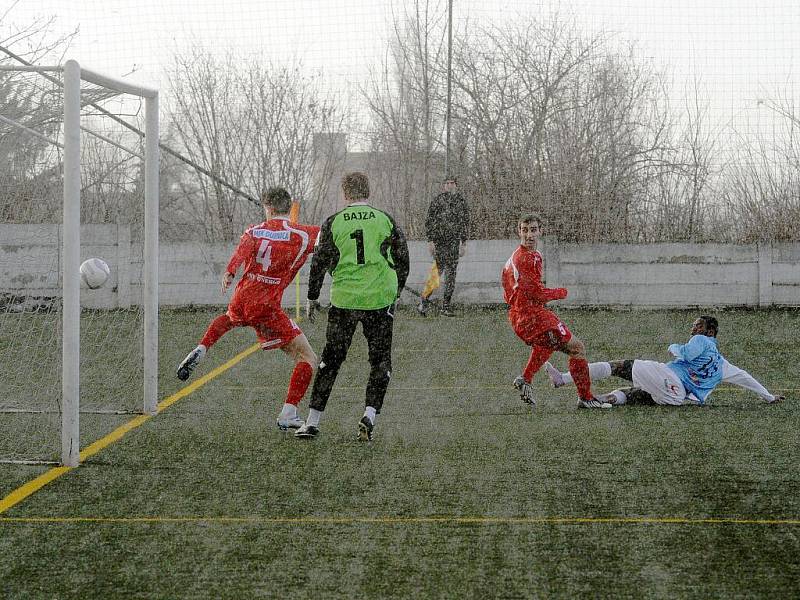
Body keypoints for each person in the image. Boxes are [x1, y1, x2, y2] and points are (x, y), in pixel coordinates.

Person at [175, 187, 320, 430]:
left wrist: (230, 272)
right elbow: (330, 236)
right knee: (307, 357)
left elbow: (240, 255)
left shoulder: (253, 230)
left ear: (268, 208)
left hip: (243, 296)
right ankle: (289, 412)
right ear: (287, 207)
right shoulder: (302, 234)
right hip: (267, 305)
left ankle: (202, 347)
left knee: (229, 317)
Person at [294, 172, 410, 441]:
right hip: (379, 301)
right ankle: (369, 414)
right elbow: (403, 258)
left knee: (330, 361)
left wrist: (312, 297)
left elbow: (319, 260)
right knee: (380, 361)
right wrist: (396, 292)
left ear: (345, 194)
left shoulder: (333, 222)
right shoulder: (385, 220)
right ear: (368, 192)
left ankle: (312, 421)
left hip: (344, 301)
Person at [544, 315, 786, 406]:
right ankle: (600, 400)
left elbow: (686, 353)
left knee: (620, 366)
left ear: (710, 332)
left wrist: (675, 347)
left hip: (670, 379)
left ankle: (563, 380)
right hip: (676, 398)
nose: (694, 326)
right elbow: (745, 378)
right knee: (631, 394)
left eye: (698, 324)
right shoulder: (723, 365)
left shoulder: (702, 341)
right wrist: (768, 396)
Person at [501, 212, 609, 409]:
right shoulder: (527, 259)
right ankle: (586, 398)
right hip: (531, 315)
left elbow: (508, 290)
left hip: (520, 316)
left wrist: (520, 304)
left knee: (548, 343)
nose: (529, 235)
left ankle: (525, 379)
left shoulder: (519, 256)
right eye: (525, 231)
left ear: (540, 231)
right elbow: (536, 293)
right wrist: (561, 292)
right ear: (519, 232)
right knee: (577, 348)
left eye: (533, 230)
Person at [419, 176, 469, 317]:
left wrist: (464, 243)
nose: (449, 185)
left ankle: (446, 307)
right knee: (436, 274)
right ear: (443, 186)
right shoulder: (438, 200)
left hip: (454, 243)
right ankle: (423, 302)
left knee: (451, 276)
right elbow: (429, 221)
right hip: (440, 243)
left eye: (452, 183)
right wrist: (430, 241)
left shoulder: (461, 202)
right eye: (446, 183)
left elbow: (465, 223)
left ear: (456, 185)